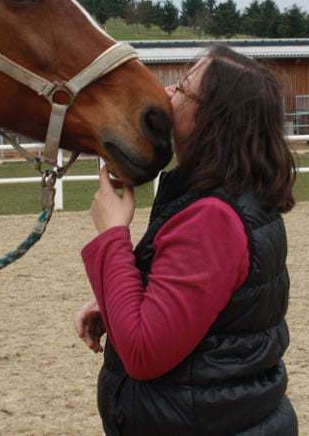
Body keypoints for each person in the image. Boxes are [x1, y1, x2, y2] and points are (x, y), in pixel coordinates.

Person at [74, 45, 299, 436]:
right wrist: (119, 299)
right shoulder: (240, 197)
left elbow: (144, 352)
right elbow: (217, 310)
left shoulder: (212, 219)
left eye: (183, 89)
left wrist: (112, 234)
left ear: (214, 119)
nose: (167, 95)